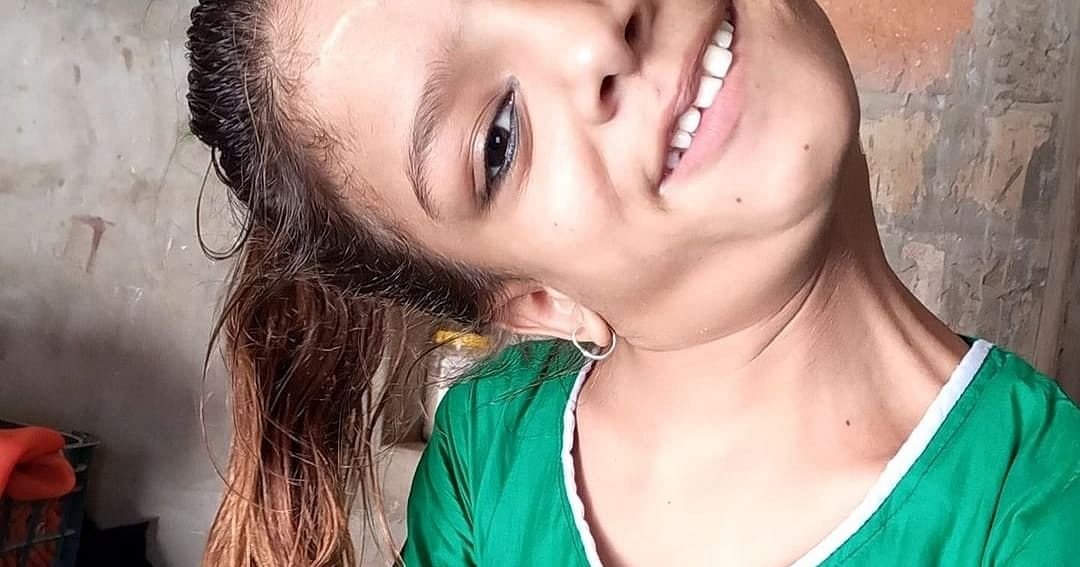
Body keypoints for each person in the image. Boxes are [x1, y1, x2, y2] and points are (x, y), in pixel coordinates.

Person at [184, 0, 1080, 565]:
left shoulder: (1042, 506)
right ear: (539, 301)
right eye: (499, 138)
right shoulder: (487, 460)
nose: (593, 34)